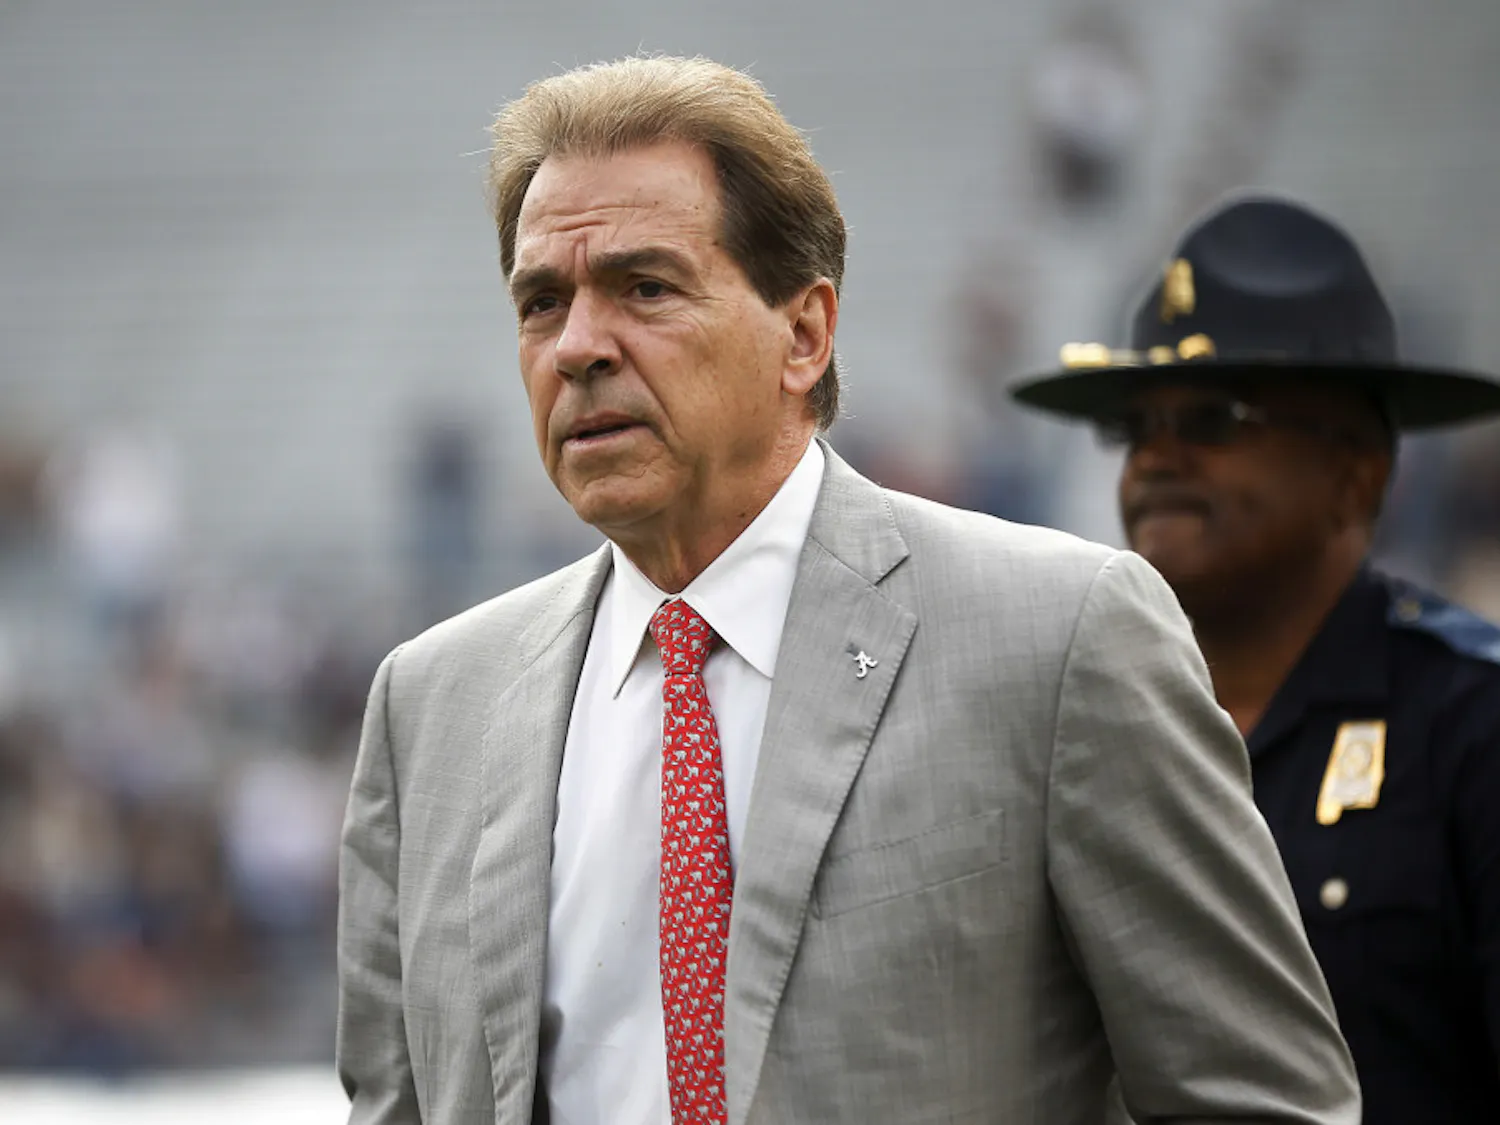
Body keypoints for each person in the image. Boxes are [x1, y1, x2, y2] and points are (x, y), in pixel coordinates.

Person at [337, 58, 1359, 1125]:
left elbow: (1262, 1101)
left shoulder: (1062, 639)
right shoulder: (431, 705)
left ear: (806, 334)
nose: (582, 346)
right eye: (542, 303)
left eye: (645, 287)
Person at [1012, 194, 1500, 1125]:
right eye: (1134, 425)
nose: (1155, 457)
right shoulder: (1070, 726)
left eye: (1210, 417)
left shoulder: (1470, 724)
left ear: (1357, 473)